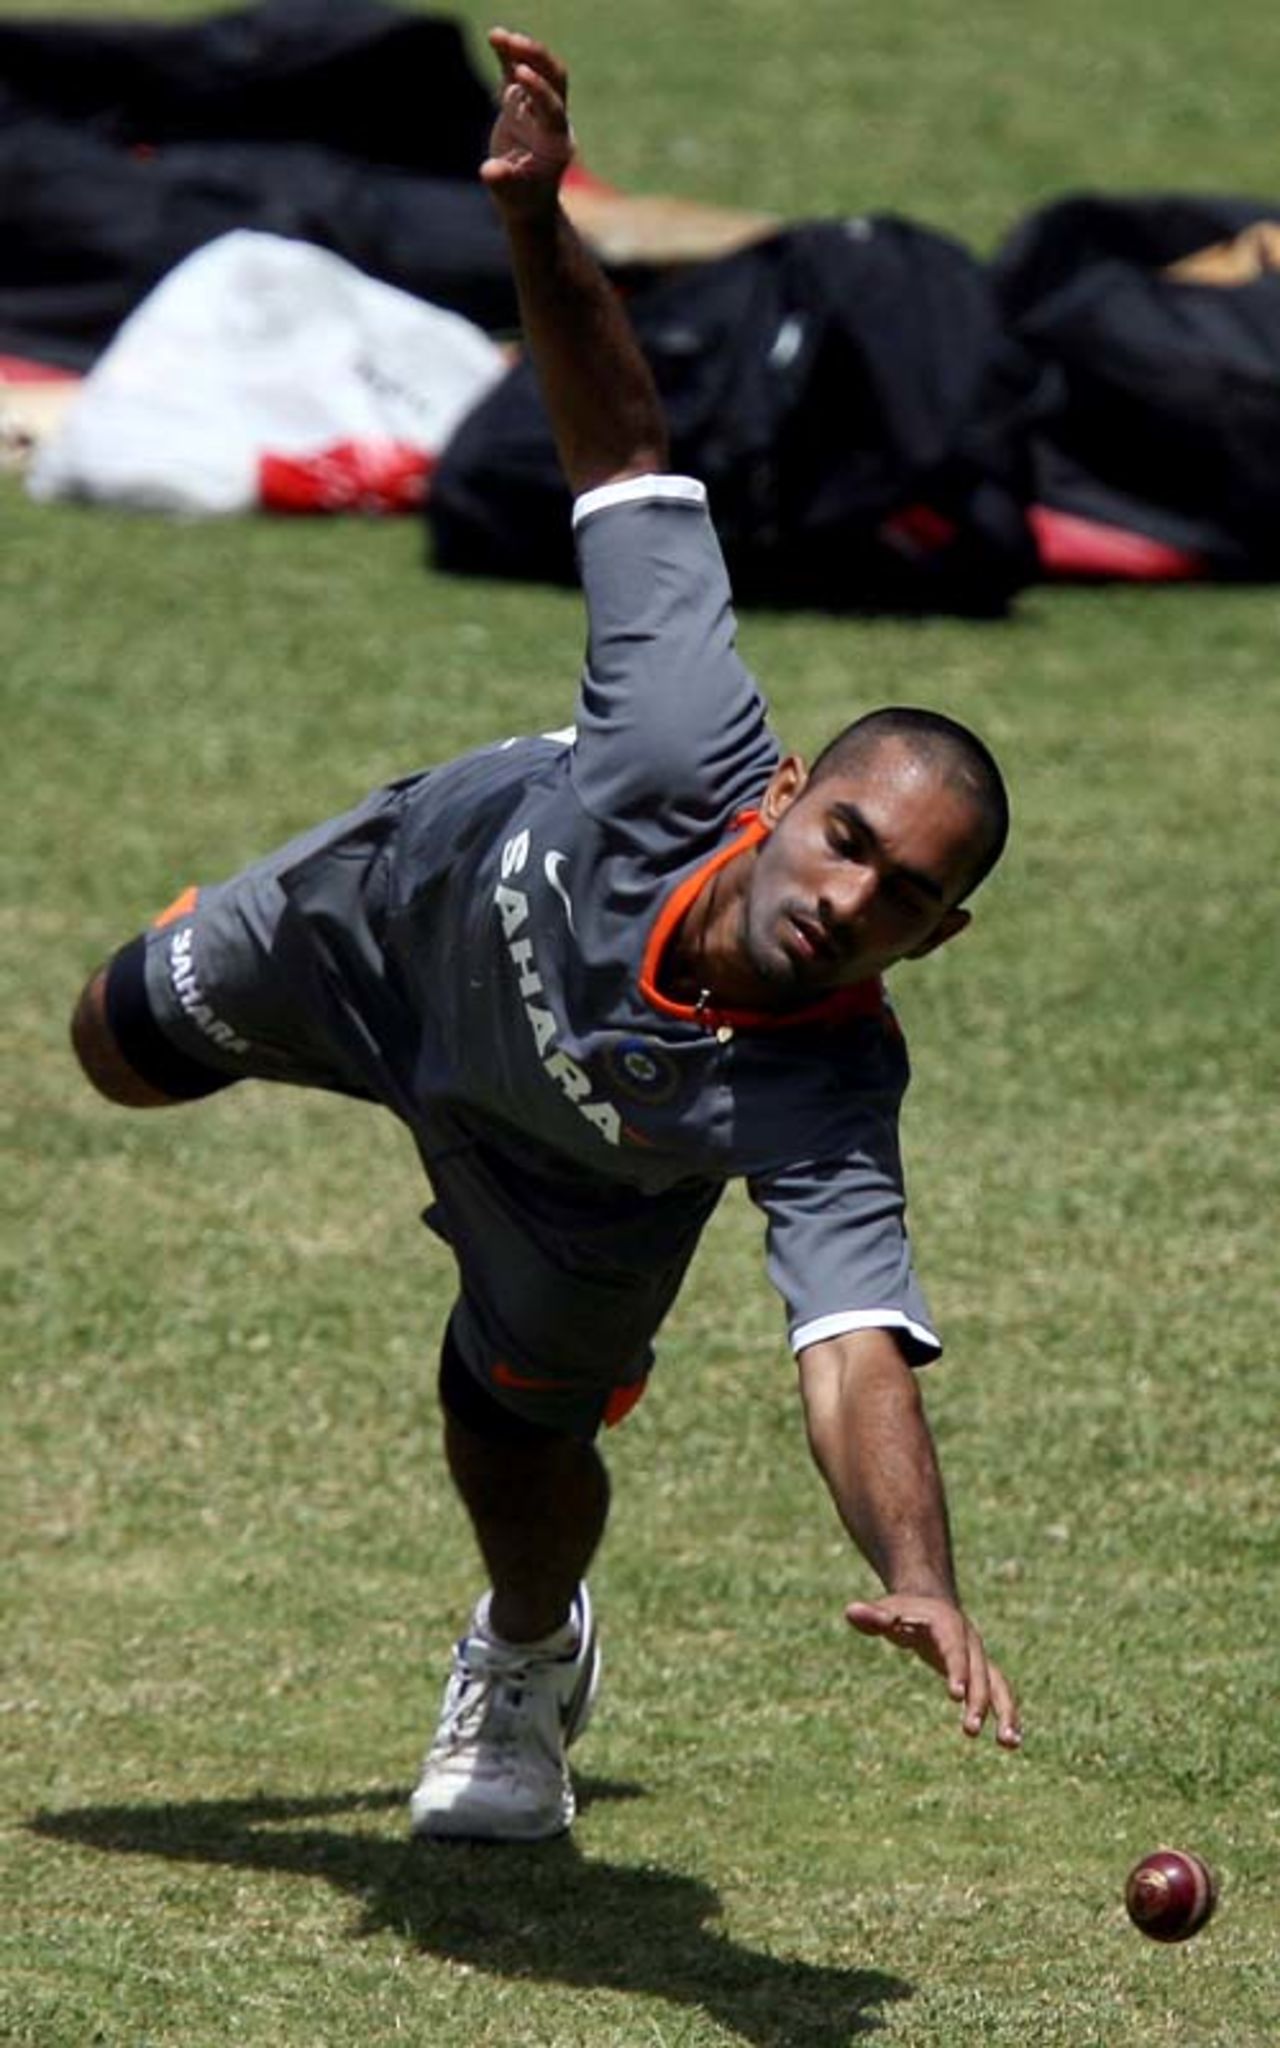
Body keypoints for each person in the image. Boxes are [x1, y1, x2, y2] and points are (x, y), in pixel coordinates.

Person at [70, 27, 1022, 1844]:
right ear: (795, 789)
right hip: (359, 937)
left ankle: (523, 1657)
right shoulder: (679, 731)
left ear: (937, 939)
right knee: (111, 1046)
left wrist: (924, 1571)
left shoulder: (824, 1094)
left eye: (903, 902)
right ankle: (221, 949)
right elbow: (624, 440)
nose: (846, 901)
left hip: (568, 1194)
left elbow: (853, 1357)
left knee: (516, 1440)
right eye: (845, 844)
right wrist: (535, 218)